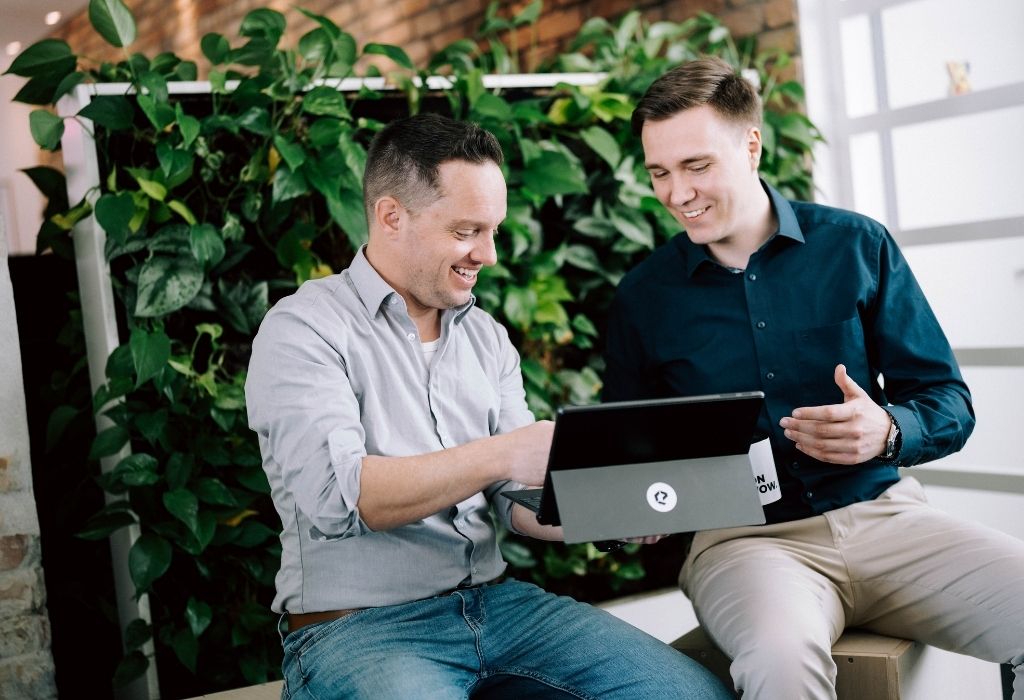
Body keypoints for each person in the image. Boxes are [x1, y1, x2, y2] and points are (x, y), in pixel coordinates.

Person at [245, 112, 731, 700]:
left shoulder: (485, 336)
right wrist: (505, 453)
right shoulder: (303, 329)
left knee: (692, 696)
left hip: (500, 607)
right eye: (467, 230)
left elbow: (515, 501)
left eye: (493, 230)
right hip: (359, 628)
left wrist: (605, 513)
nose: (489, 254)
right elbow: (341, 499)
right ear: (391, 216)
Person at [604, 56, 1024, 699]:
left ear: (751, 144)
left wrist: (887, 429)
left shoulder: (857, 245)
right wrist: (636, 505)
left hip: (885, 518)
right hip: (744, 544)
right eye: (659, 172)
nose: (675, 193)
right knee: (780, 663)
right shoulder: (642, 298)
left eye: (696, 166)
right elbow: (630, 459)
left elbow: (948, 402)